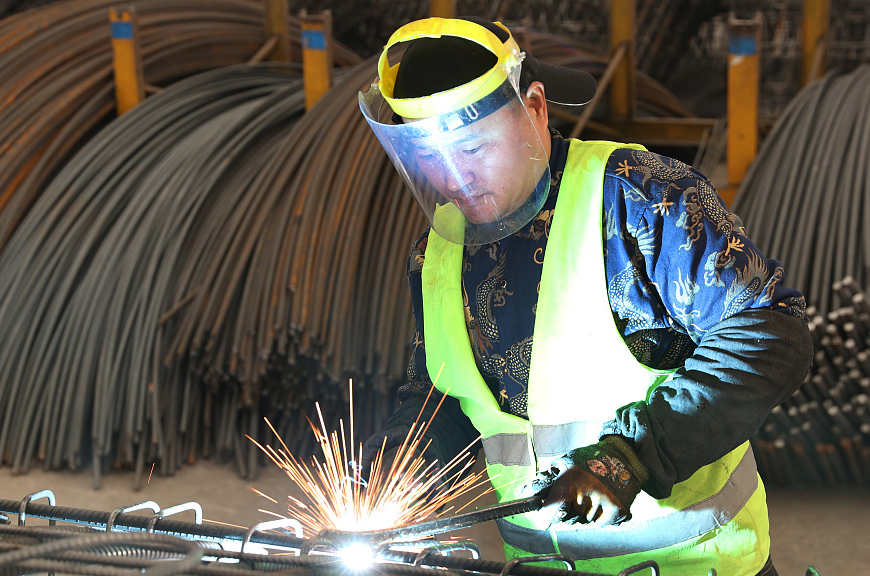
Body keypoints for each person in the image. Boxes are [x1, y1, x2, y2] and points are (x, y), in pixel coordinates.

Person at [358, 16, 813, 576]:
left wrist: (633, 456)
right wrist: (397, 465)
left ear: (535, 107)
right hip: (539, 566)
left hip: (695, 564)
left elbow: (771, 334)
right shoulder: (437, 255)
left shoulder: (640, 198)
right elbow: (446, 400)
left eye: (472, 148)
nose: (454, 179)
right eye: (429, 155)